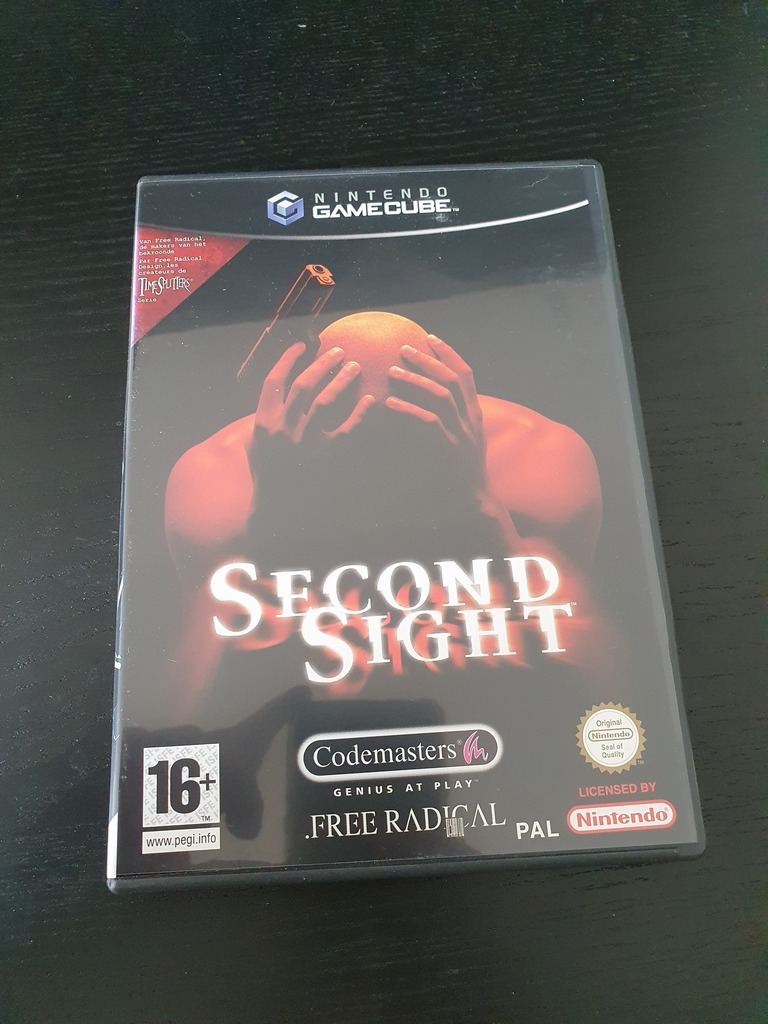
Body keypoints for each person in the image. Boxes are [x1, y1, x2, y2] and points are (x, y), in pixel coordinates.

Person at [164, 312, 604, 716]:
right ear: (306, 414)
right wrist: (271, 518)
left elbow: (600, 698)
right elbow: (187, 719)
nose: (376, 474)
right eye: (351, 444)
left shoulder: (536, 458)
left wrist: (481, 502)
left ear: (451, 411)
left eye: (399, 443)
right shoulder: (218, 479)